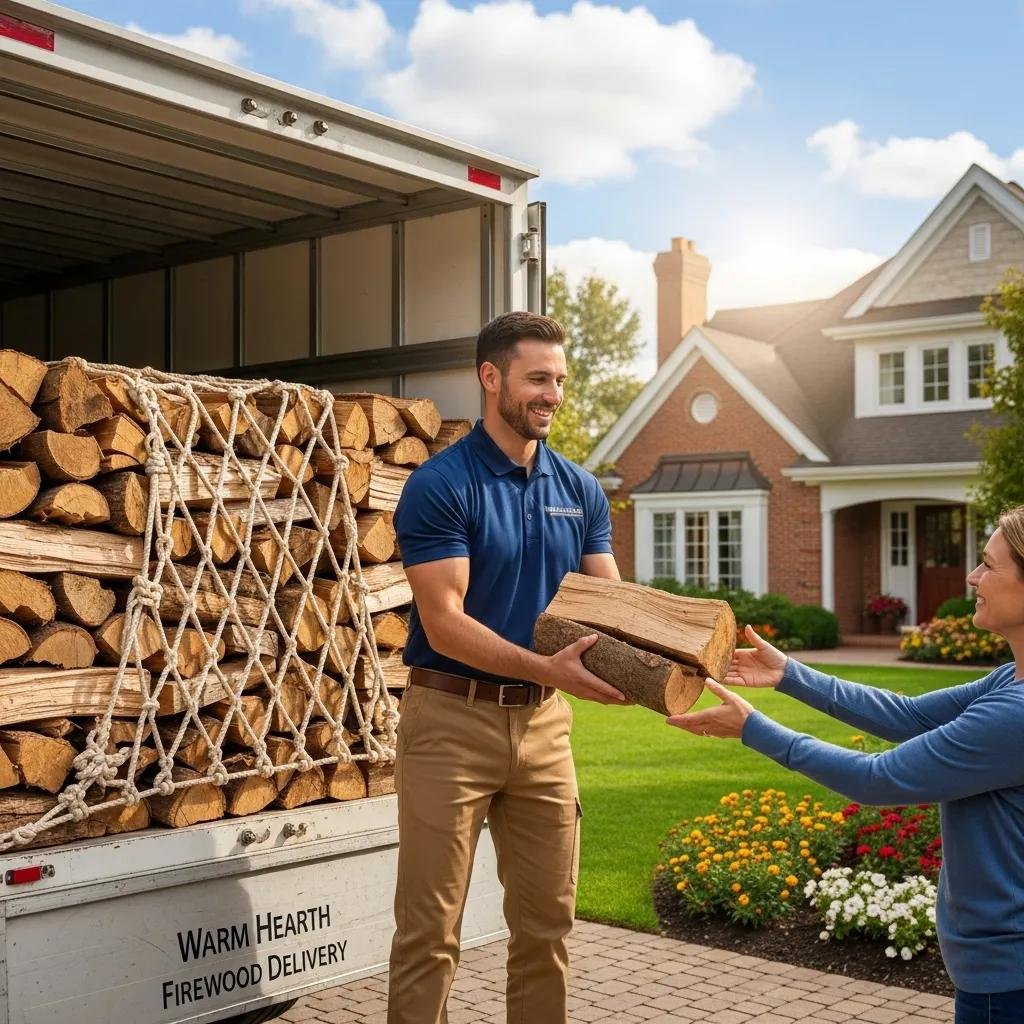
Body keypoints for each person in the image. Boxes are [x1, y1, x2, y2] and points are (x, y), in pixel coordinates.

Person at [668, 505, 1024, 1024]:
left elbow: (877, 779)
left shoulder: (1015, 713)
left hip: (1007, 983)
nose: (973, 576)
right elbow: (908, 716)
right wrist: (789, 674)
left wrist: (753, 728)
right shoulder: (1006, 681)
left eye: (989, 565)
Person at [387, 311, 627, 1024]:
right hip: (449, 726)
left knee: (547, 929)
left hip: (544, 730)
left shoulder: (580, 490)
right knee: (430, 934)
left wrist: (680, 650)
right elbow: (446, 622)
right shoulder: (441, 485)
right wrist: (554, 669)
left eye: (559, 380)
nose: (552, 393)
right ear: (491, 379)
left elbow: (609, 605)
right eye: (537, 379)